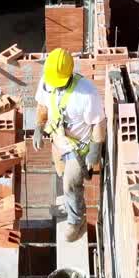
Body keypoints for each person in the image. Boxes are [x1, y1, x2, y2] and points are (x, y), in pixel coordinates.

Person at [32, 48, 105, 243]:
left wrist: (94, 151)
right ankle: (72, 203)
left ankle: (76, 222)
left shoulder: (87, 93)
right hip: (58, 142)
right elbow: (42, 106)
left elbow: (99, 122)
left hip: (77, 147)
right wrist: (38, 127)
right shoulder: (47, 81)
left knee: (70, 184)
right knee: (62, 174)